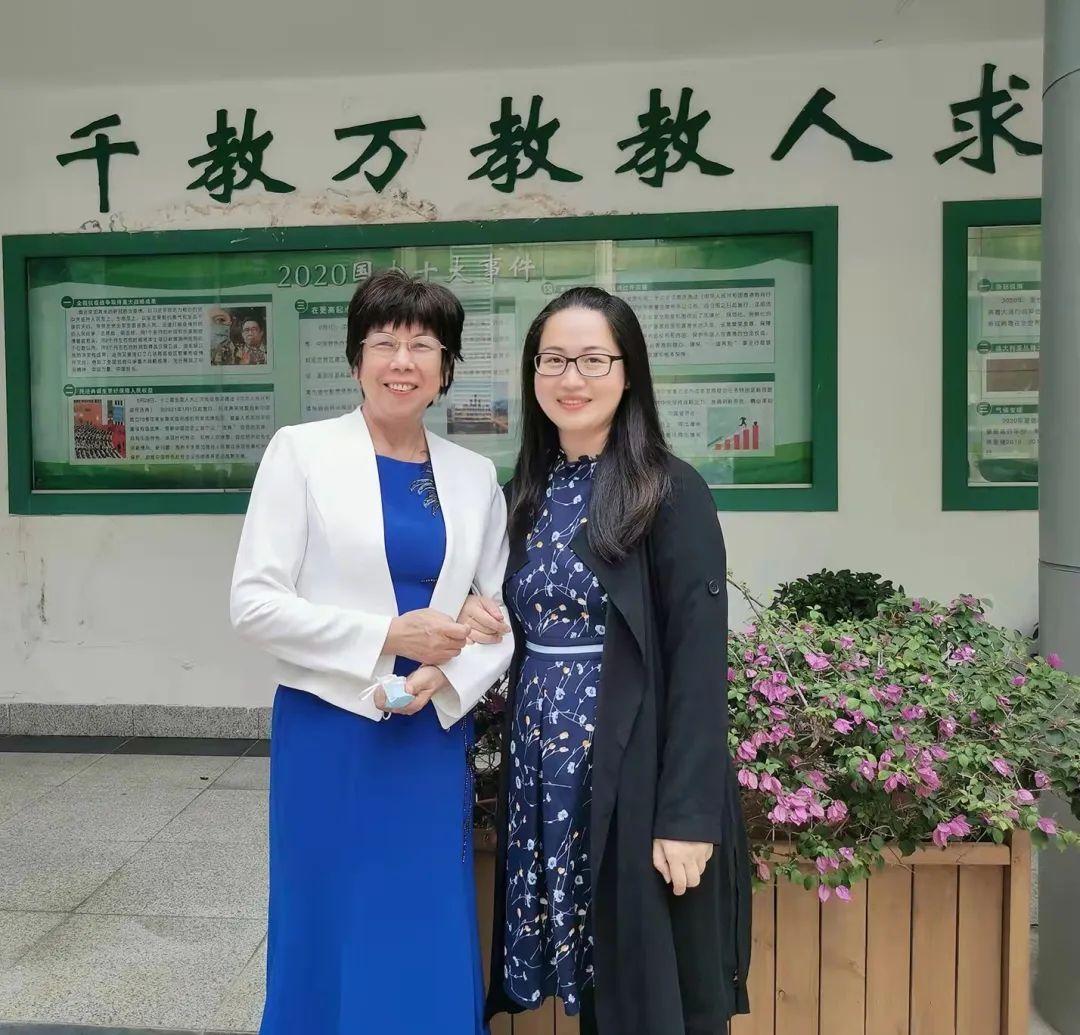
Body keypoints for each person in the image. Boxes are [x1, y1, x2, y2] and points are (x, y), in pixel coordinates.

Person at [230, 269, 514, 1035]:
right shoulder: (301, 453)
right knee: (325, 915)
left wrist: (441, 672)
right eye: (384, 342)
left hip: (429, 732)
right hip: (329, 732)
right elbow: (253, 603)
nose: (402, 361)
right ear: (356, 358)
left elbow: (500, 617)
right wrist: (388, 636)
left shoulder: (473, 476)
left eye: (423, 345)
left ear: (446, 367)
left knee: (424, 916)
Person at [461, 287, 752, 1035]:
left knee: (644, 991)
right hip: (545, 772)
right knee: (593, 980)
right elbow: (497, 620)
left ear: (628, 372)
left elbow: (697, 661)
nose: (572, 378)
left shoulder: (670, 492)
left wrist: (687, 816)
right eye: (553, 359)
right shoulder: (523, 494)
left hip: (634, 772)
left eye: (594, 359)